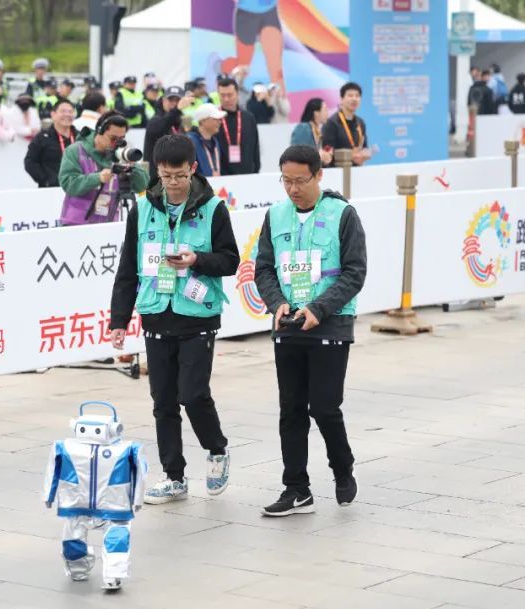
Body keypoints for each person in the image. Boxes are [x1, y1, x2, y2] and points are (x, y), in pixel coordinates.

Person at [109, 133, 239, 504]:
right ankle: (174, 476)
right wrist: (119, 319)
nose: (173, 183)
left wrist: (197, 260)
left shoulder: (213, 209)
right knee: (163, 401)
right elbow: (128, 267)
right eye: (166, 176)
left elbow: (230, 260)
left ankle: (216, 450)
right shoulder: (143, 209)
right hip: (156, 313)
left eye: (180, 175)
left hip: (197, 316)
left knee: (193, 395)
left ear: (193, 169)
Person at [254, 144, 366, 517]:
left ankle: (342, 468)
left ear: (319, 175)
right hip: (288, 324)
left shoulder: (342, 214)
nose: (293, 189)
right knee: (291, 410)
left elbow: (355, 272)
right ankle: (296, 489)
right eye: (286, 181)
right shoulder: (275, 215)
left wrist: (319, 308)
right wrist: (276, 304)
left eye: (300, 180)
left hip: (330, 322)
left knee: (324, 406)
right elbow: (263, 268)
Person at [42, 402, 147, 592]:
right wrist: (48, 494)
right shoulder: (65, 447)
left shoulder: (127, 449)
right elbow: (53, 469)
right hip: (77, 504)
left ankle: (113, 576)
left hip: (113, 505)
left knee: (117, 541)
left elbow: (140, 472)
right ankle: (78, 569)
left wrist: (138, 498)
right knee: (72, 542)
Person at [58, 111, 149, 226]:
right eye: (113, 138)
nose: (116, 143)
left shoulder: (119, 155)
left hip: (107, 225)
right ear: (99, 131)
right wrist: (98, 178)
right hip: (77, 223)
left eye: (121, 139)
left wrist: (132, 167)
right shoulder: (75, 150)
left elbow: (143, 186)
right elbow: (68, 184)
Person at [221, 0, 285, 96]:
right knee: (243, 67)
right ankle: (225, 70)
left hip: (270, 12)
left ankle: (281, 99)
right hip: (246, 14)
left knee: (275, 66)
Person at [144, 86, 193, 184]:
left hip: (178, 176)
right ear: (163, 101)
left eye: (177, 100)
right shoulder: (156, 119)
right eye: (171, 100)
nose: (174, 103)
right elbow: (161, 127)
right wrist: (177, 110)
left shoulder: (183, 119)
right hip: (158, 179)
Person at [25, 98, 77, 188]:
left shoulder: (81, 137)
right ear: (53, 114)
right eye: (63, 111)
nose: (67, 114)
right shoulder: (42, 138)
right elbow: (30, 162)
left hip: (78, 188)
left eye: (70, 112)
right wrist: (46, 181)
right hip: (52, 189)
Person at [216, 77, 260, 175]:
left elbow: (255, 147)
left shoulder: (248, 118)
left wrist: (256, 170)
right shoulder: (214, 118)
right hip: (222, 176)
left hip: (247, 173)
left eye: (229, 95)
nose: (226, 99)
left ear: (237, 94)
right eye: (222, 95)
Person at [321, 82, 370, 167]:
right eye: (350, 95)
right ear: (341, 98)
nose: (354, 99)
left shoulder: (361, 123)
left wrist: (365, 154)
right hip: (336, 170)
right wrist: (350, 155)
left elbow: (364, 147)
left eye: (357, 96)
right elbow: (327, 151)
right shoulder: (331, 123)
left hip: (356, 170)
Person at [290, 98, 333, 167]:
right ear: (316, 113)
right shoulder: (303, 127)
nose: (327, 113)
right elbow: (297, 153)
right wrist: (319, 155)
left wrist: (325, 155)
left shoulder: (316, 130)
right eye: (325, 110)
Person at [187, 103, 226, 178]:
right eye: (215, 119)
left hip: (215, 184)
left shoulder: (215, 142)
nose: (219, 122)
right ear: (203, 121)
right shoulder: (189, 142)